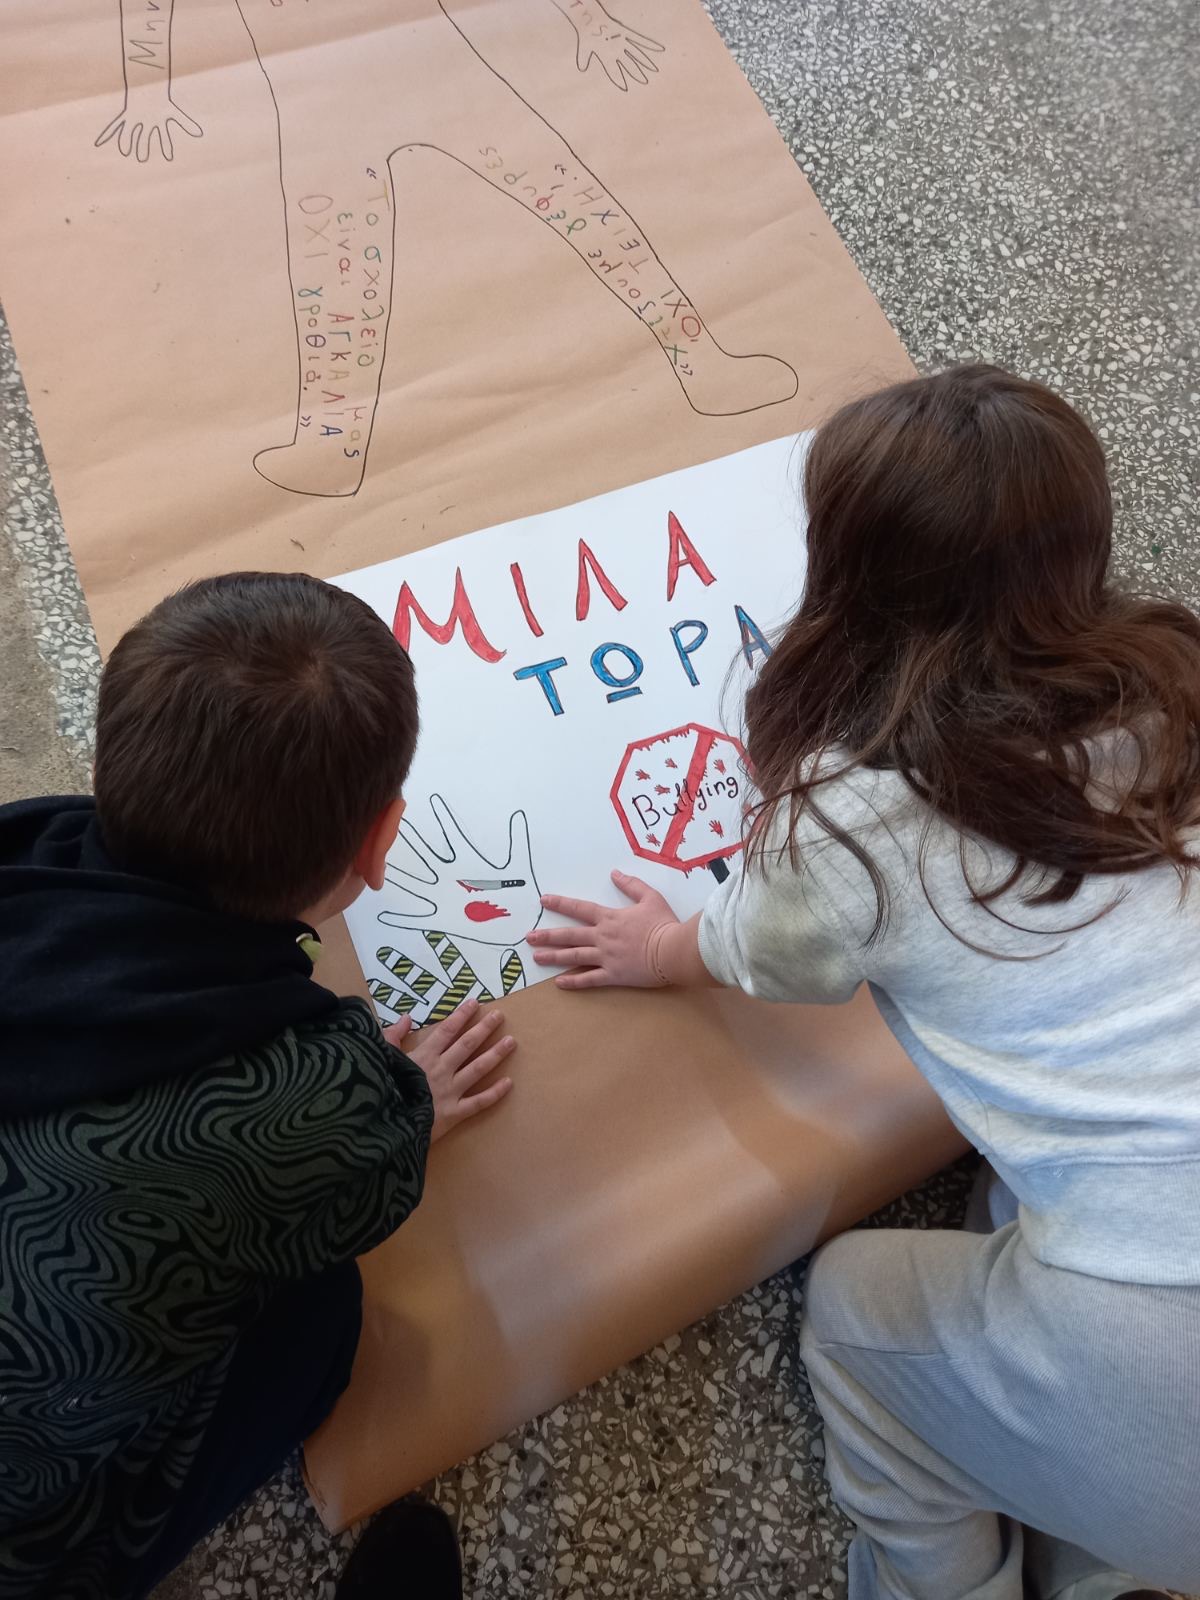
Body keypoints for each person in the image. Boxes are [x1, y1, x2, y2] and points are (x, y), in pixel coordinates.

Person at [530, 365, 1200, 1600]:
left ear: (846, 573)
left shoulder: (852, 818)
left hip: (1164, 1360)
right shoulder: (1177, 686)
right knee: (1006, 1220)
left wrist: (658, 948)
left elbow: (755, 950)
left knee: (849, 1307)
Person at [0, 572, 508, 1599]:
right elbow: (357, 1174)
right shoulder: (319, 1102)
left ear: (105, 766)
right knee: (319, 1312)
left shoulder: (26, 843)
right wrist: (395, 1108)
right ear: (381, 842)